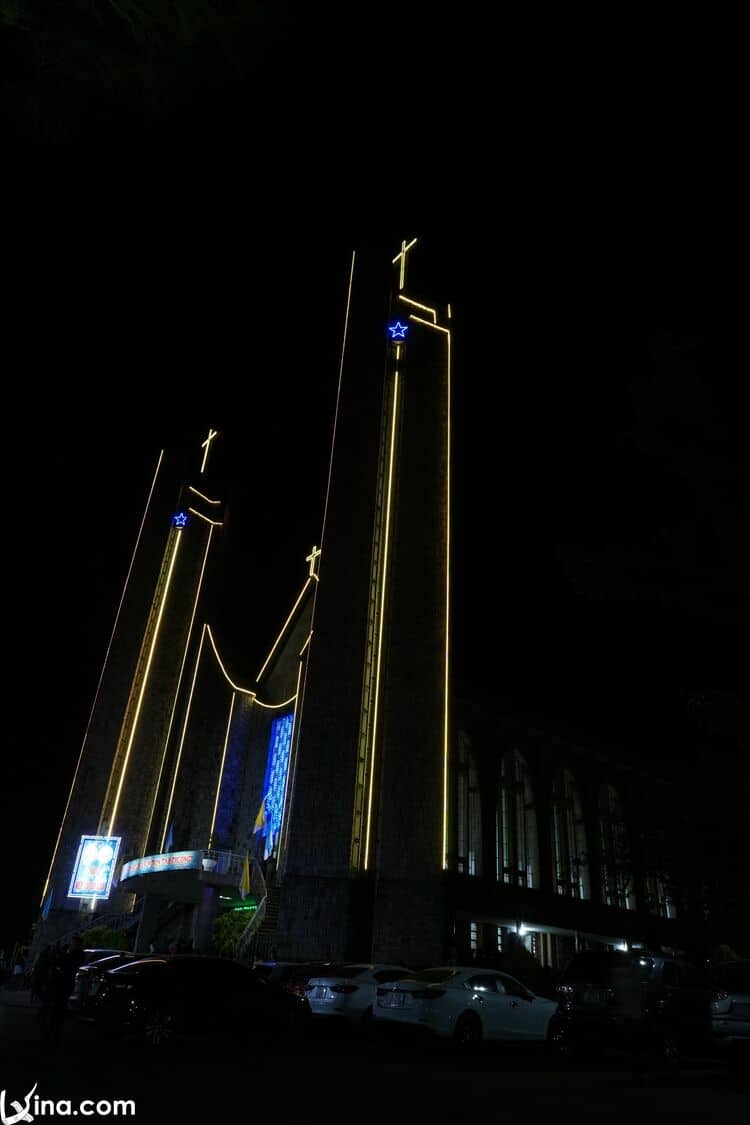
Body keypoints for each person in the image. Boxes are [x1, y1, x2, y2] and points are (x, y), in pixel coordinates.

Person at [42, 935, 85, 1046]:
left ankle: (55, 1033)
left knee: (59, 1010)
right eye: (71, 943)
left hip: (65, 985)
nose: (71, 945)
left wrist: (62, 961)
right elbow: (58, 962)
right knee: (54, 1009)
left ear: (78, 944)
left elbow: (69, 965)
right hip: (58, 983)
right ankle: (51, 1031)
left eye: (74, 943)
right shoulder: (67, 952)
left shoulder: (78, 954)